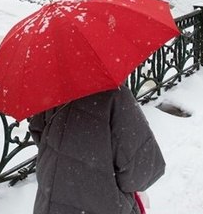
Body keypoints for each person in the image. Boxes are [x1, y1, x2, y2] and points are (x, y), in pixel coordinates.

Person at [28, 86, 165, 214]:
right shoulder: (115, 95)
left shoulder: (53, 87)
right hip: (104, 205)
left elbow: (38, 132)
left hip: (49, 205)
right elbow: (143, 169)